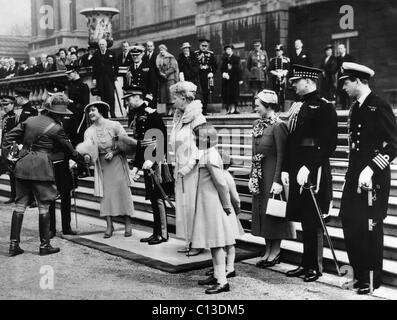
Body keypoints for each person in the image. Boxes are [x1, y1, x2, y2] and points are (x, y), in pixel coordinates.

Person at [339, 62, 397, 294]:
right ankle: (358, 274)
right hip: (355, 176)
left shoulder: (378, 106)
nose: (343, 87)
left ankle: (371, 279)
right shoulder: (356, 108)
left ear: (358, 81)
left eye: (346, 82)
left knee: (370, 227)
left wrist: (372, 167)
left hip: (375, 179)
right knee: (350, 224)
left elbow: (394, 144)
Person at [3, 93, 85, 257]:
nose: (62, 116)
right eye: (61, 114)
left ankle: (14, 245)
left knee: (19, 206)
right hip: (42, 168)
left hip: (23, 165)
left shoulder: (30, 120)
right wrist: (83, 161)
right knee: (44, 205)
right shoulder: (56, 128)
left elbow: (7, 137)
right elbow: (70, 150)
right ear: (55, 113)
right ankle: (44, 245)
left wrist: (9, 158)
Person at [281, 65, 338, 282]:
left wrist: (310, 166)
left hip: (314, 171)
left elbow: (329, 143)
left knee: (313, 219)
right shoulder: (298, 106)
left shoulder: (324, 107)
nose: (293, 85)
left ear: (308, 81)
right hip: (297, 170)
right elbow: (292, 141)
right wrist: (287, 168)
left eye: (296, 81)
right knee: (304, 218)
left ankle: (315, 266)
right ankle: (305, 264)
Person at [249, 90, 296, 268]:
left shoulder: (279, 125)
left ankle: (275, 251)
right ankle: (268, 249)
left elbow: (283, 156)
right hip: (260, 176)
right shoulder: (257, 124)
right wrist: (251, 174)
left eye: (258, 105)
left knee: (273, 215)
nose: (255, 108)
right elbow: (254, 151)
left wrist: (277, 181)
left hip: (272, 176)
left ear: (268, 105)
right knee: (263, 214)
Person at [78, 101, 136, 238]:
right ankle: (109, 226)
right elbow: (88, 150)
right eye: (89, 111)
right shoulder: (89, 131)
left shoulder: (114, 125)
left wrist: (115, 152)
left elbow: (126, 143)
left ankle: (128, 224)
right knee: (106, 196)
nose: (91, 113)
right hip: (102, 165)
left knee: (123, 192)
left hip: (117, 163)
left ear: (101, 111)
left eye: (94, 110)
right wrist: (86, 156)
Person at [191, 123, 236, 294]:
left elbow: (221, 184)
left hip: (213, 205)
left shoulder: (211, 157)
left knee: (217, 243)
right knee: (213, 242)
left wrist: (225, 205)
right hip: (206, 204)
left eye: (197, 137)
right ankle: (218, 275)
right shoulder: (208, 154)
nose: (195, 140)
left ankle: (222, 281)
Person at [124, 86, 169, 245]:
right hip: (146, 162)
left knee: (157, 197)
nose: (127, 103)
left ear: (137, 97)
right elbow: (140, 145)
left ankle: (162, 233)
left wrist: (153, 158)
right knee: (151, 197)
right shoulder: (138, 114)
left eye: (129, 99)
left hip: (155, 162)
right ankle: (156, 232)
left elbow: (162, 138)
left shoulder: (151, 113)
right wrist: (136, 166)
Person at [169, 81, 206, 256]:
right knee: (184, 206)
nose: (172, 101)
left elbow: (209, 144)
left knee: (194, 206)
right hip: (181, 169)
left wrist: (190, 164)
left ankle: (198, 242)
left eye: (175, 98)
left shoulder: (198, 117)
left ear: (184, 98)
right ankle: (188, 240)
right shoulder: (179, 119)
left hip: (195, 170)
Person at [125, 45, 157, 117]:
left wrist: (147, 101)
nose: (135, 57)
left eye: (137, 55)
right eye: (133, 55)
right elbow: (127, 87)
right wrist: (127, 104)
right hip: (133, 103)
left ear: (142, 54)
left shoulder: (148, 68)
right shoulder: (130, 68)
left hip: (144, 101)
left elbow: (152, 87)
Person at [92, 39, 119, 118]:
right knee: (103, 96)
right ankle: (105, 114)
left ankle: (112, 113)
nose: (101, 46)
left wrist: (115, 75)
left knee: (111, 95)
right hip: (100, 78)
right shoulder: (96, 54)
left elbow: (116, 66)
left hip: (109, 78)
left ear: (106, 45)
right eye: (100, 44)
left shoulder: (111, 53)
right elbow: (94, 67)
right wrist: (94, 78)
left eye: (103, 44)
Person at [0, 96, 18, 204]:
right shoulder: (4, 117)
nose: (4, 107)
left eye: (6, 104)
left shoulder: (16, 117)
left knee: (16, 172)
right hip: (6, 148)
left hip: (14, 147)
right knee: (10, 173)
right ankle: (13, 195)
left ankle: (19, 196)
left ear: (12, 104)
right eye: (3, 105)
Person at [65, 65, 90, 144]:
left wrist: (78, 109)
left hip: (80, 115)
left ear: (75, 72)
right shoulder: (71, 85)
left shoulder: (83, 85)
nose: (68, 76)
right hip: (71, 114)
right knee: (72, 135)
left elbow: (85, 103)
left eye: (69, 74)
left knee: (80, 134)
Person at [195, 39, 218, 115]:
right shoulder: (196, 54)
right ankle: (198, 110)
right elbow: (193, 64)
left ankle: (204, 110)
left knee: (206, 93)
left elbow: (215, 66)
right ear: (200, 46)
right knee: (198, 93)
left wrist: (212, 73)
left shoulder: (210, 54)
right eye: (202, 46)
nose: (204, 47)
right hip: (198, 75)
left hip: (207, 75)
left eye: (206, 46)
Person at [156, 44, 180, 116]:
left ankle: (171, 111)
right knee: (162, 96)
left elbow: (173, 67)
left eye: (162, 50)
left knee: (170, 96)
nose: (161, 51)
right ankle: (161, 112)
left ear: (165, 50)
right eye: (160, 50)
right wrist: (160, 74)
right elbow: (158, 68)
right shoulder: (158, 58)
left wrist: (165, 74)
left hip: (170, 79)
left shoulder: (171, 57)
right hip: (162, 79)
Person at [221, 45, 243, 115]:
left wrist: (240, 79)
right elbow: (221, 68)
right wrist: (224, 73)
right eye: (226, 49)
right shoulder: (224, 58)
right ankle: (229, 108)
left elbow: (239, 69)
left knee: (234, 93)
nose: (228, 51)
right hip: (226, 80)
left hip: (234, 78)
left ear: (232, 50)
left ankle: (234, 108)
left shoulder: (236, 58)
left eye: (229, 49)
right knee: (227, 93)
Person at [269, 44, 290, 111]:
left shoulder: (286, 60)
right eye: (277, 51)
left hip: (283, 77)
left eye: (279, 51)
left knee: (283, 92)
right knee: (275, 92)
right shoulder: (273, 60)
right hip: (275, 78)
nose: (278, 52)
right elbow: (270, 69)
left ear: (282, 52)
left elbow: (288, 69)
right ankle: (276, 107)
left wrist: (283, 74)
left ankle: (283, 107)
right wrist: (276, 74)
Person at [336, 44, 355, 109]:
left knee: (348, 92)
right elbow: (335, 68)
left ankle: (350, 106)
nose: (340, 50)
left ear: (345, 49)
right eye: (339, 48)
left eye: (341, 48)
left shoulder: (349, 57)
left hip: (347, 77)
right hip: (340, 78)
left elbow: (353, 66)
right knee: (341, 92)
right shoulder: (337, 58)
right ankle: (343, 106)